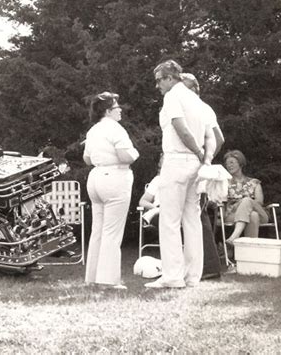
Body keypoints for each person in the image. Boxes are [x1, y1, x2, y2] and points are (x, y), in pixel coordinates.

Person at [145, 60, 215, 289]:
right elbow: (210, 136)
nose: (157, 86)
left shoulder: (173, 96)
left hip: (177, 160)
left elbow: (180, 127)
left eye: (159, 81)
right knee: (192, 220)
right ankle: (192, 276)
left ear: (169, 78)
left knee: (169, 221)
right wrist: (204, 159)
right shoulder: (196, 100)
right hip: (194, 164)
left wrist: (197, 151)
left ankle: (173, 276)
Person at [83, 91, 139, 290]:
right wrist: (135, 153)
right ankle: (107, 280)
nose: (120, 109)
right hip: (115, 178)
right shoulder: (115, 129)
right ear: (108, 111)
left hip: (96, 178)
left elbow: (87, 159)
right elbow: (125, 156)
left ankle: (92, 277)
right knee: (112, 232)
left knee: (98, 230)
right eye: (117, 107)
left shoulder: (93, 131)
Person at [181, 72, 223, 279]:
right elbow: (219, 139)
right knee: (198, 215)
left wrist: (204, 160)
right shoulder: (204, 108)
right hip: (197, 165)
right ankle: (207, 268)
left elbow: (218, 138)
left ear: (193, 89)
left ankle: (207, 268)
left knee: (198, 216)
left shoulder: (198, 108)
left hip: (194, 165)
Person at [223, 149, 269, 245]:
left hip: (260, 213)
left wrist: (243, 202)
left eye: (232, 162)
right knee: (253, 216)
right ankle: (249, 253)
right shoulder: (224, 183)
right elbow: (221, 200)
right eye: (227, 164)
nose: (229, 165)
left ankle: (235, 236)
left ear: (241, 163)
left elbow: (259, 202)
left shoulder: (254, 182)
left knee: (247, 201)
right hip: (233, 215)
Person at [138, 154, 163, 226]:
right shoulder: (158, 180)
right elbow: (143, 201)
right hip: (159, 210)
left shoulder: (183, 180)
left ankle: (153, 213)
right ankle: (155, 212)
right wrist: (156, 208)